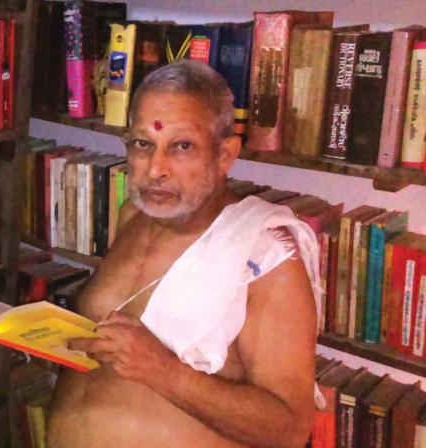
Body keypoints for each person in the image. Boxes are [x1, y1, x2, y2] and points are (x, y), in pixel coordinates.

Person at [47, 61, 318, 448]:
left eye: (182, 146)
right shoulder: (133, 216)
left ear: (225, 155)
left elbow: (289, 429)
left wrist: (165, 372)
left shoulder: (265, 256)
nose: (156, 169)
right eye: (143, 144)